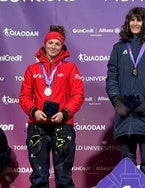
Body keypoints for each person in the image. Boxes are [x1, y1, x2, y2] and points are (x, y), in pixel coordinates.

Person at [105, 7, 145, 182]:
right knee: (127, 163)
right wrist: (116, 101)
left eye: (139, 20)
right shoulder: (118, 48)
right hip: (125, 115)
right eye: (132, 20)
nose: (135, 23)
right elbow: (112, 76)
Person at [19, 25, 84, 188]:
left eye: (57, 43)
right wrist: (34, 111)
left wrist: (64, 113)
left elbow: (78, 95)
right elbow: (24, 96)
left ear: (62, 46)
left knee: (63, 177)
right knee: (39, 177)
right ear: (45, 44)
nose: (53, 46)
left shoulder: (70, 68)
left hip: (63, 125)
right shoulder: (31, 69)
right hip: (37, 126)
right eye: (50, 43)